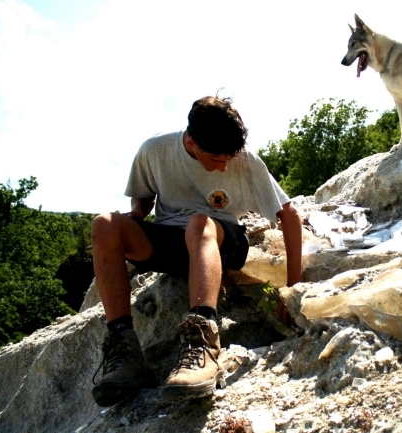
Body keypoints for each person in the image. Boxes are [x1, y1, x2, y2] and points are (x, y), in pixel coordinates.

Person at [90, 95, 303, 407]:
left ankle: (202, 342)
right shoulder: (155, 150)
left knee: (199, 223)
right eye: (216, 158)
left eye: (229, 157)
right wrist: (129, 226)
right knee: (103, 225)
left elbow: (290, 216)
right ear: (190, 143)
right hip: (172, 242)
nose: (224, 165)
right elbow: (143, 199)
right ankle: (124, 351)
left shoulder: (244, 160)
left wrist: (293, 286)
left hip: (221, 238)